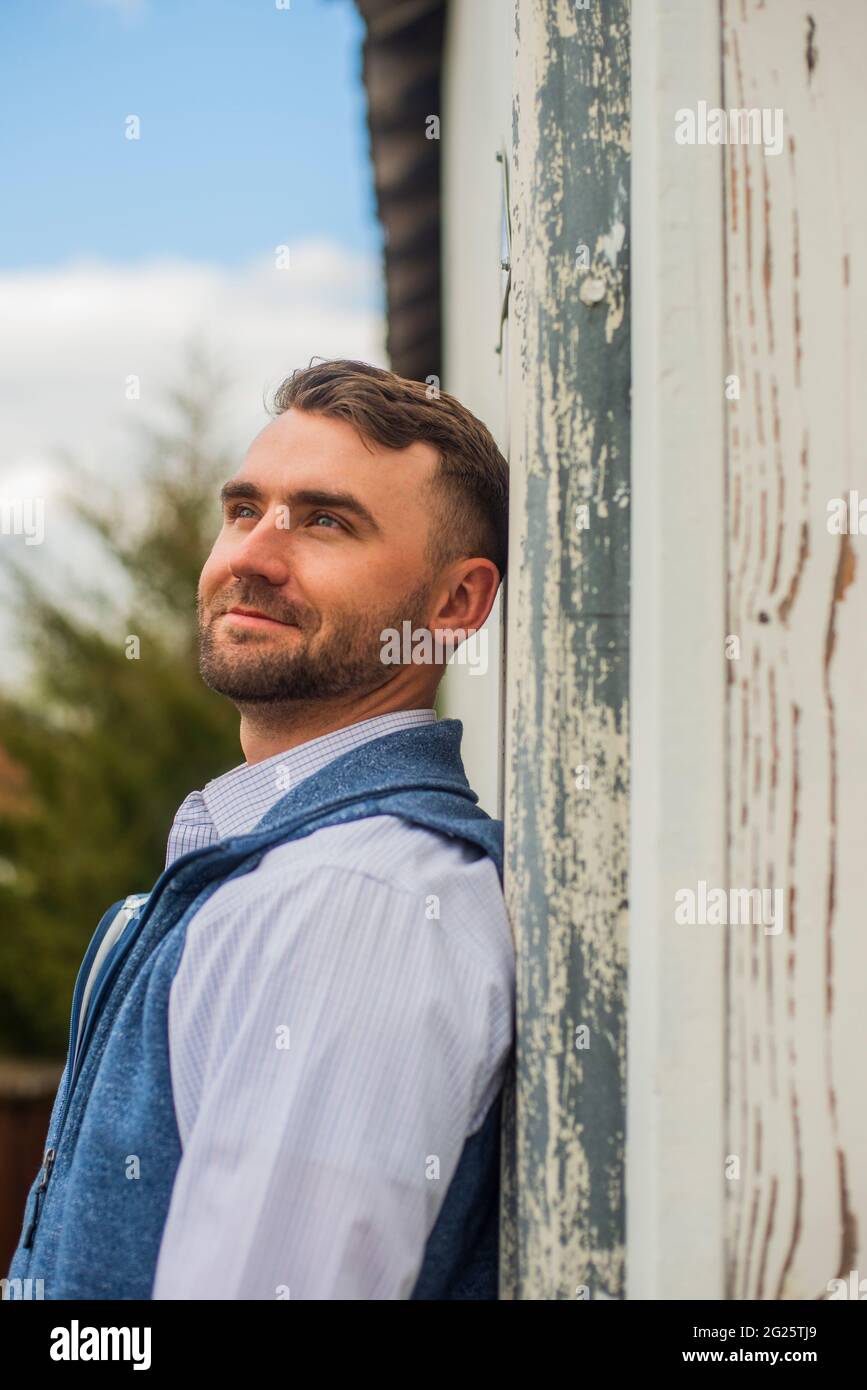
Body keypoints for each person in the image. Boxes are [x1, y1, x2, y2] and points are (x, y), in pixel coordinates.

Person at [5, 358, 514, 1300]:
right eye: (244, 510)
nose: (252, 556)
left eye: (325, 521)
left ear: (456, 603)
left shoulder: (359, 900)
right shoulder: (278, 867)